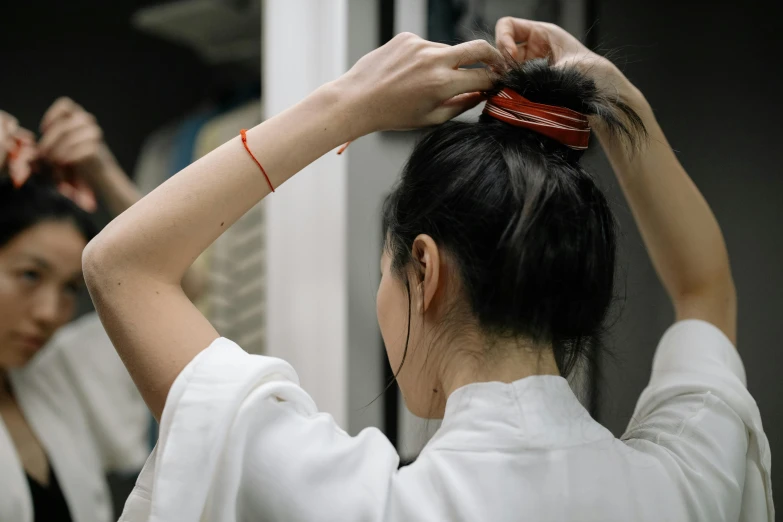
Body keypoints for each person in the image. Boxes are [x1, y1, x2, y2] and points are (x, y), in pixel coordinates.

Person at [84, 18, 773, 522]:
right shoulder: (683, 485)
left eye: (387, 271)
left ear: (425, 268)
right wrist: (616, 100)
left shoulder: (342, 502)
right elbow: (702, 289)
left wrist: (348, 101)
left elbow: (122, 266)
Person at [0, 99, 204, 522]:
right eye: (30, 276)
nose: (50, 313)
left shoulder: (56, 377)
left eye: (70, 289)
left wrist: (102, 172)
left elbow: (184, 283)